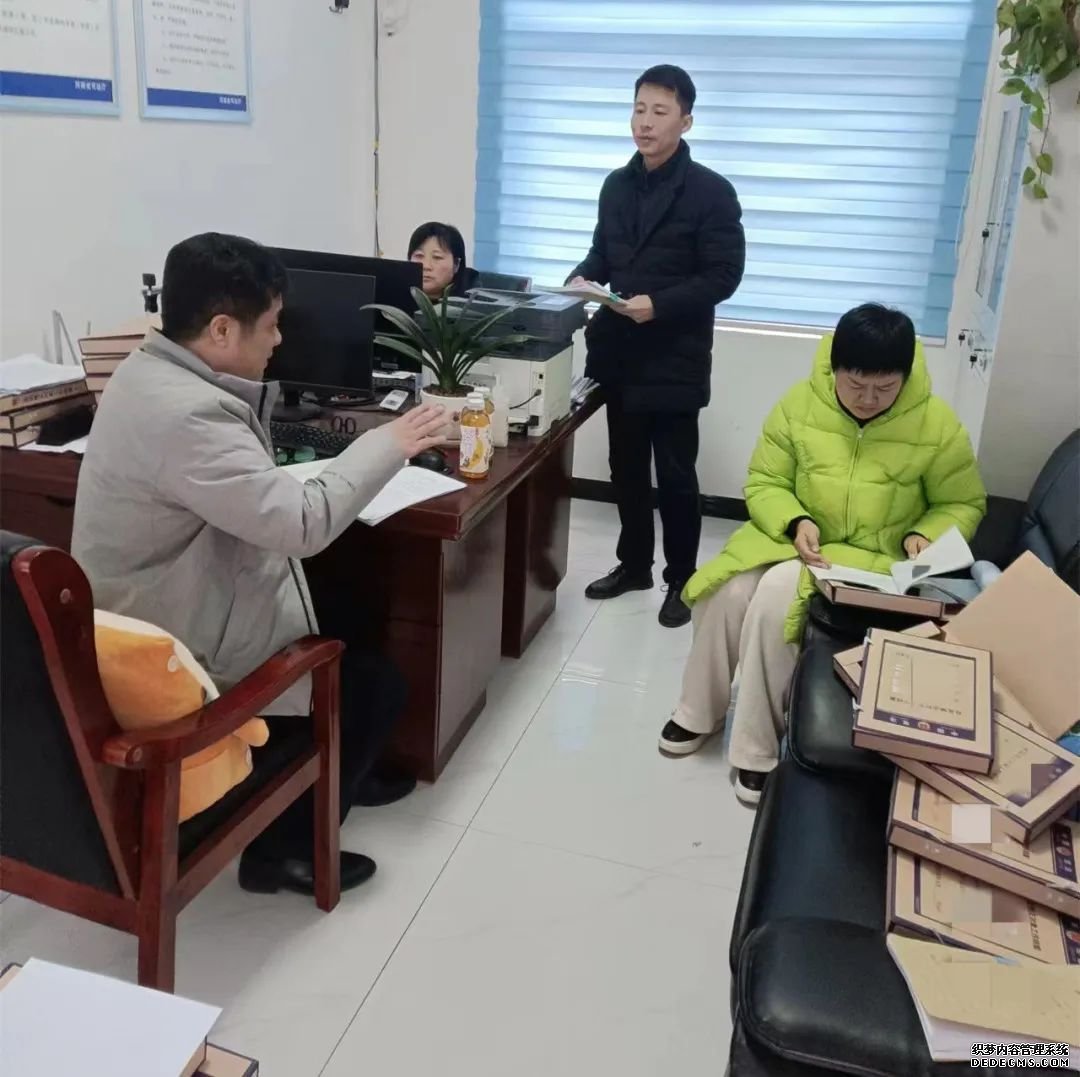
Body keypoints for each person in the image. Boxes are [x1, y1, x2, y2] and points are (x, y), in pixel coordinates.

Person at [72, 232, 449, 895]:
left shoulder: (149, 369)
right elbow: (302, 524)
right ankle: (285, 850)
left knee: (354, 603)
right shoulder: (188, 414)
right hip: (175, 650)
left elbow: (244, 469)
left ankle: (344, 771)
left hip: (167, 599)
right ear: (221, 328)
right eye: (271, 324)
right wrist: (389, 442)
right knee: (374, 683)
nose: (279, 339)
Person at [660, 304, 987, 805]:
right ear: (834, 369)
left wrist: (923, 534)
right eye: (856, 385)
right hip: (790, 540)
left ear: (906, 376)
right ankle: (698, 711)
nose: (868, 399)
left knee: (775, 603)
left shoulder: (936, 425)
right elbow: (765, 481)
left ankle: (757, 748)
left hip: (870, 559)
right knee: (724, 591)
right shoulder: (799, 406)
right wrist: (796, 520)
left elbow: (962, 502)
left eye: (885, 388)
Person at [568, 64, 745, 629]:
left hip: (674, 357)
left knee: (674, 476)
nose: (645, 122)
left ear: (685, 121)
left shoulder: (711, 192)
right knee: (625, 468)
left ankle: (682, 580)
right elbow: (603, 253)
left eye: (660, 112)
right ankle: (634, 565)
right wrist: (581, 279)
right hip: (619, 353)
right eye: (639, 109)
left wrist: (659, 304)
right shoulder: (616, 185)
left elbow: (724, 275)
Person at [408, 221, 475, 300]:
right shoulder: (396, 298)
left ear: (456, 264)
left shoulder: (474, 301)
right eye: (419, 255)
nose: (426, 266)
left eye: (437, 257)